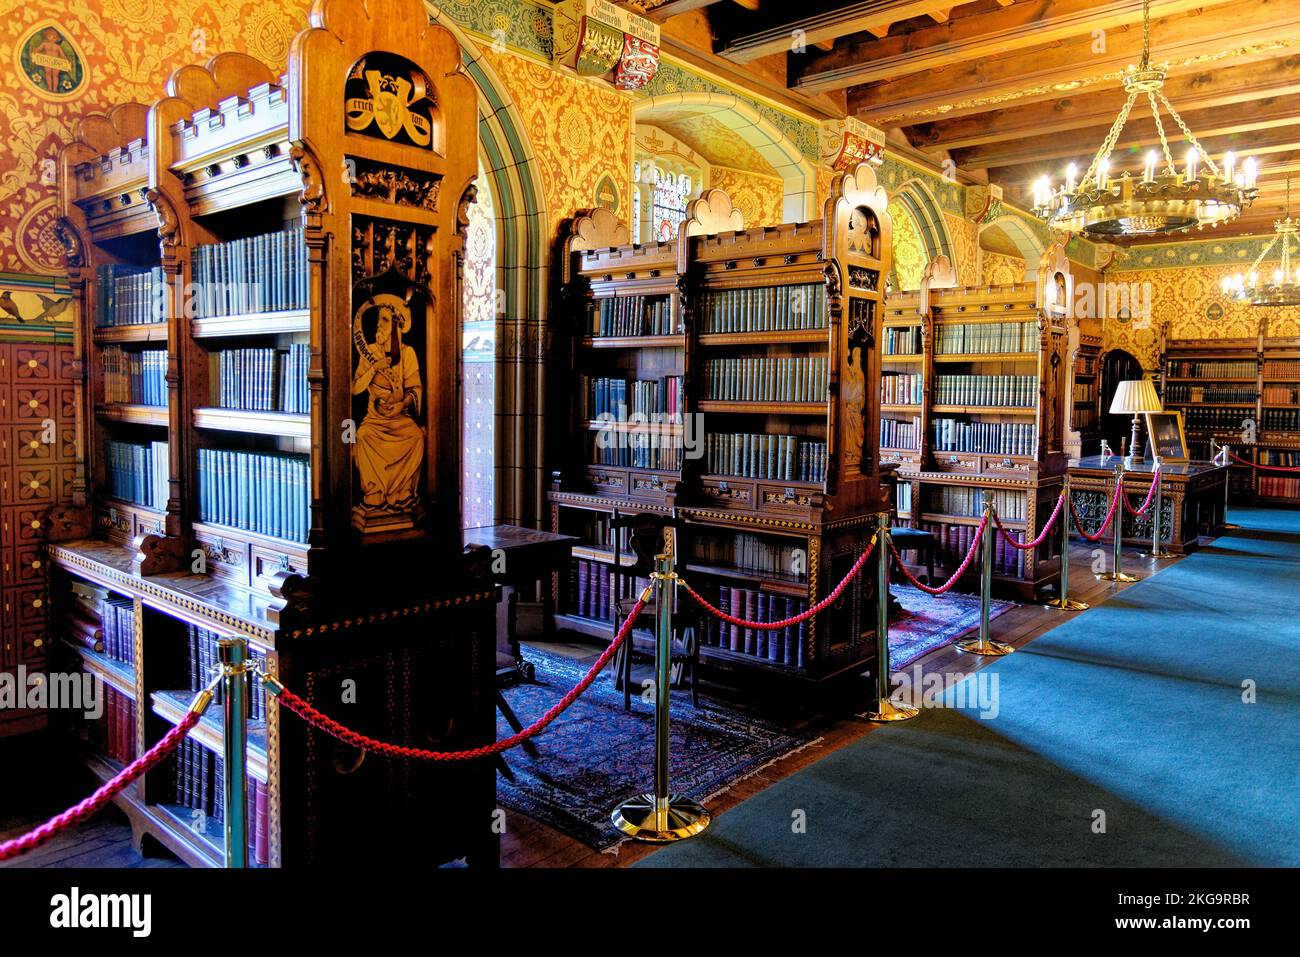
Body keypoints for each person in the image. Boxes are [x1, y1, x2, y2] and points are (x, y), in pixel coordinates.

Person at [351, 295, 424, 513]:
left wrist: (403, 405)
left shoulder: (408, 353)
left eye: (384, 320)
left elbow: (415, 389)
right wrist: (374, 368)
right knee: (362, 437)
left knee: (417, 437)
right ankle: (375, 494)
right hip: (375, 421)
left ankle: (401, 495)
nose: (378, 325)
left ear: (395, 325)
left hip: (399, 419)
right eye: (378, 320)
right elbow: (355, 387)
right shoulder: (369, 353)